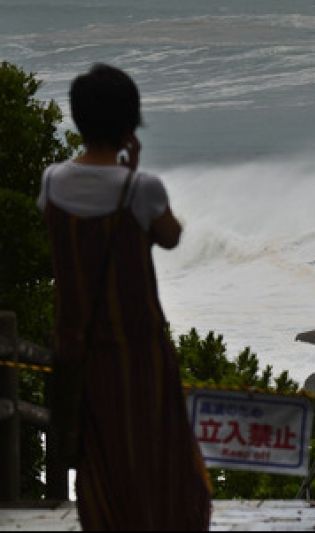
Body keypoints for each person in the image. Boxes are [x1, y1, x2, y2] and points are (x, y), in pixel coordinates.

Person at [37, 63, 212, 530]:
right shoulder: (141, 189)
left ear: (78, 119)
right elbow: (170, 236)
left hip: (80, 352)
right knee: (160, 459)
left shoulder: (52, 182)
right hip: (140, 355)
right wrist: (130, 174)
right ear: (129, 125)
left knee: (99, 464)